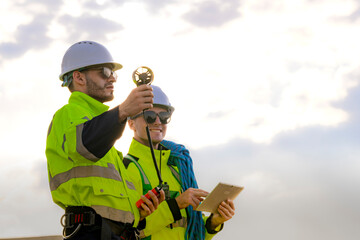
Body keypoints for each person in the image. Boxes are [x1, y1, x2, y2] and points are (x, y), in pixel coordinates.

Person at [45, 40, 165, 240]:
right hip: (89, 233)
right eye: (104, 72)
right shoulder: (68, 114)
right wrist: (124, 110)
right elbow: (84, 144)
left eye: (113, 73)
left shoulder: (106, 132)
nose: (113, 79)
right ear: (79, 77)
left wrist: (140, 212)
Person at [124, 85, 236, 240]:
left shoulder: (176, 167)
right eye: (149, 116)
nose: (157, 122)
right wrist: (176, 205)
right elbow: (127, 230)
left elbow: (192, 230)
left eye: (164, 116)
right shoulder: (127, 167)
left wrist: (214, 221)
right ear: (131, 123)